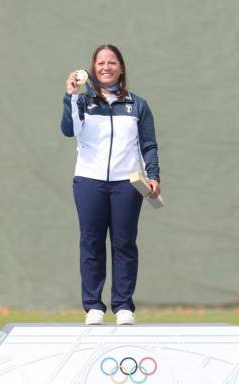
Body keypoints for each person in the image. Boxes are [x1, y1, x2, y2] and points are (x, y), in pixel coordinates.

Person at [61, 44, 161, 325]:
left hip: (127, 183)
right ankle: (93, 306)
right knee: (91, 242)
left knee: (124, 243)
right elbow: (68, 130)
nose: (107, 67)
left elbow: (149, 145)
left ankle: (123, 305)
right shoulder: (83, 102)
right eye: (101, 63)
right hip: (89, 181)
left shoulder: (137, 105)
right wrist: (70, 96)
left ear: (121, 68)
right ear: (93, 69)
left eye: (112, 62)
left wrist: (153, 175)